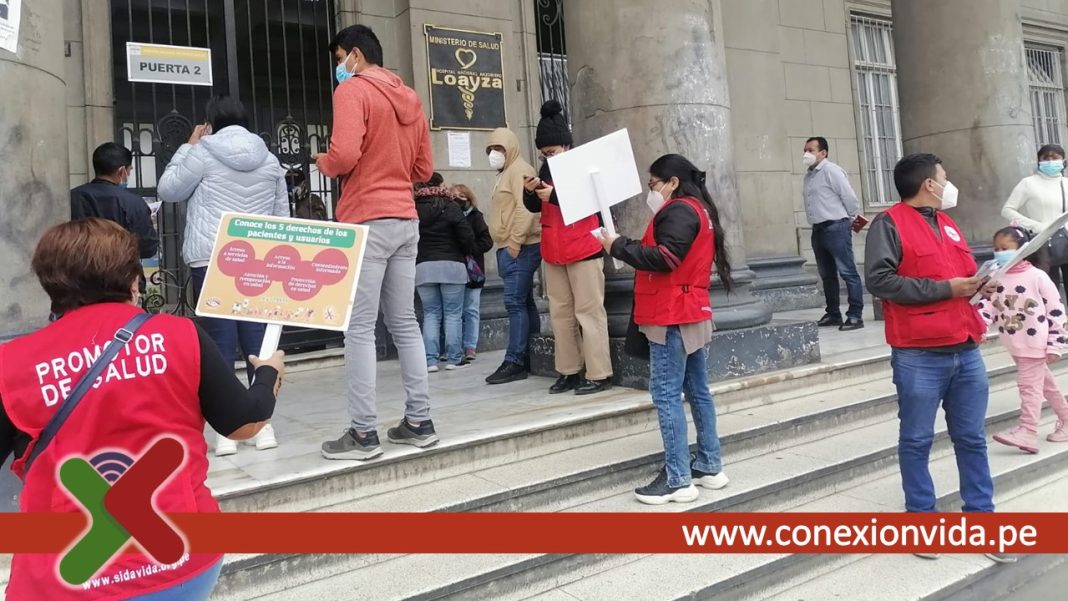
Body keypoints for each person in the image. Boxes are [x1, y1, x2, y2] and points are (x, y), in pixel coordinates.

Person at [0, 218, 284, 600]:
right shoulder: (179, 335)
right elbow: (245, 422)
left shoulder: (13, 364)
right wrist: (267, 375)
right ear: (133, 279)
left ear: (50, 283)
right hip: (185, 562)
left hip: (66, 579)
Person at [865, 153, 1014, 563]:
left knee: (971, 439)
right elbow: (880, 280)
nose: (949, 184)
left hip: (965, 347)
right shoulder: (889, 223)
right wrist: (947, 289)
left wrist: (983, 282)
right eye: (944, 177)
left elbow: (963, 273)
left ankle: (982, 524)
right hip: (918, 353)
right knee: (916, 440)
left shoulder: (947, 223)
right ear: (929, 184)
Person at [312, 24, 437, 460]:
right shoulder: (411, 98)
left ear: (355, 56)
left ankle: (364, 434)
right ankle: (419, 421)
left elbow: (343, 155)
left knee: (360, 328)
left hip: (366, 217)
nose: (338, 68)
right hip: (405, 217)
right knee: (405, 323)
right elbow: (424, 168)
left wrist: (323, 162)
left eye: (339, 59)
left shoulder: (353, 92)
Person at [156, 95, 289, 457]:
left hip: (212, 256)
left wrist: (187, 146)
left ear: (210, 123)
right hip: (257, 258)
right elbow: (281, 215)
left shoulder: (202, 152)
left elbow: (168, 190)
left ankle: (227, 431)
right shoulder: (270, 159)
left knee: (218, 342)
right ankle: (264, 427)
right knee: (257, 341)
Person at [599, 154, 730, 505]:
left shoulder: (679, 211)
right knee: (698, 389)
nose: (650, 191)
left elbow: (665, 258)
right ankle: (708, 464)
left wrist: (617, 246)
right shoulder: (699, 210)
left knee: (667, 394)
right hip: (690, 310)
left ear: (672, 182)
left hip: (671, 313)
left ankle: (677, 479)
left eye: (653, 184)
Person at [522, 100, 613, 396]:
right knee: (561, 315)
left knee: (589, 312)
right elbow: (535, 206)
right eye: (544, 152)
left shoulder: (586, 167)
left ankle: (599, 373)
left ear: (565, 145)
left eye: (551, 150)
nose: (547, 156)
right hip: (554, 250)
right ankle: (569, 371)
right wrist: (532, 193)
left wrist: (555, 196)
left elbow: (594, 200)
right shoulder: (545, 170)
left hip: (584, 247)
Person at [978, 227, 1068, 453]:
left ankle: (1027, 430)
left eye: (1005, 248)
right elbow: (986, 305)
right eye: (996, 249)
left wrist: (1056, 343)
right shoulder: (995, 277)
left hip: (1035, 343)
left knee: (1029, 388)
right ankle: (1066, 419)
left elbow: (1056, 311)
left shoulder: (1037, 276)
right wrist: (978, 327)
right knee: (1045, 385)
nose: (999, 253)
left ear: (1024, 249)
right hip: (1014, 343)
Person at [485, 127, 541, 385]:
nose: (494, 154)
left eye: (499, 149)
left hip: (520, 247)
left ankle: (515, 360)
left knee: (514, 303)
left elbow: (527, 210)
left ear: (511, 148)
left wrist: (515, 243)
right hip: (510, 246)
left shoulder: (520, 169)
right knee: (525, 302)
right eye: (491, 149)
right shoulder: (506, 172)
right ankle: (533, 355)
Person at [415, 173, 477, 372]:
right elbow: (467, 236)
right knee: (453, 314)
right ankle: (454, 358)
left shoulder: (414, 209)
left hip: (424, 267)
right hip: (452, 266)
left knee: (431, 314)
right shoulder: (451, 207)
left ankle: (430, 361)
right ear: (440, 185)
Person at [802, 136, 865, 331]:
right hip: (818, 229)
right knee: (827, 274)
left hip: (836, 227)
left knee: (847, 272)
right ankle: (833, 313)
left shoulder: (832, 171)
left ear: (823, 153)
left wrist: (851, 218)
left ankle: (855, 316)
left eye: (811, 150)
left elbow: (849, 197)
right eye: (805, 150)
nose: (807, 153)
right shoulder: (809, 175)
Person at [70, 142, 159, 259]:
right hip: (119, 270)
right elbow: (148, 247)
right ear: (122, 171)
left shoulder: (72, 196)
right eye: (130, 170)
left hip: (80, 269)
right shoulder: (133, 202)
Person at [1001, 144, 1068, 288]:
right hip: (1042, 242)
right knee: (1049, 287)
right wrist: (1037, 226)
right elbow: (1007, 209)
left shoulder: (1066, 183)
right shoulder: (1028, 183)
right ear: (1039, 161)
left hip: (1066, 239)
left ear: (1063, 160)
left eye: (1055, 157)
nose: (1050, 161)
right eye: (1046, 157)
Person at [451, 183, 494, 361]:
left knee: (471, 309)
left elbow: (487, 241)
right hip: (454, 269)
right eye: (453, 196)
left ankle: (470, 346)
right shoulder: (449, 216)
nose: (456, 200)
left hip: (473, 270)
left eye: (460, 196)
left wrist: (471, 250)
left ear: (468, 198)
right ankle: (454, 347)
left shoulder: (476, 217)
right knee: (455, 311)